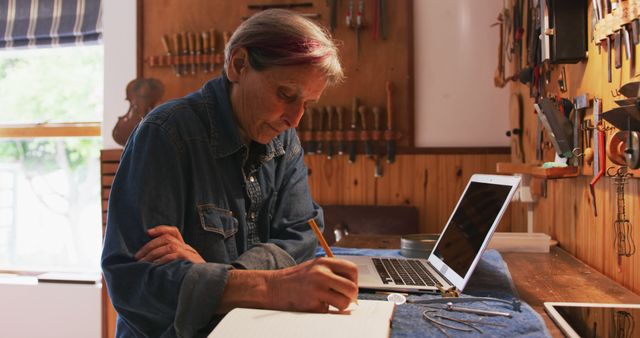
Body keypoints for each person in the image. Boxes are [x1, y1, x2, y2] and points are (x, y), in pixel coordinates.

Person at [101, 9, 358, 338]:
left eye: (307, 103)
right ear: (238, 64)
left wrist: (219, 276)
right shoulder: (166, 133)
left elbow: (302, 235)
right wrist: (270, 286)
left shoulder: (283, 138)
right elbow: (133, 282)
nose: (295, 119)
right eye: (286, 95)